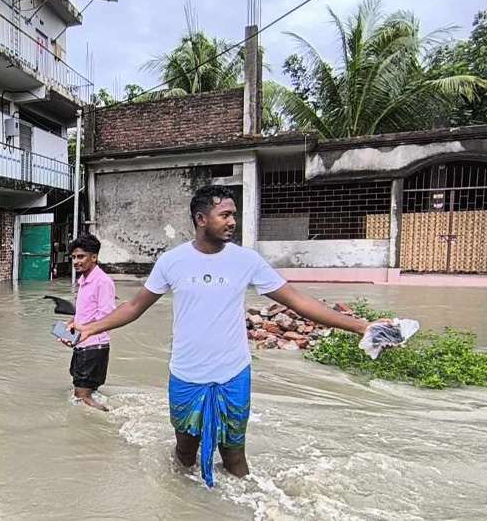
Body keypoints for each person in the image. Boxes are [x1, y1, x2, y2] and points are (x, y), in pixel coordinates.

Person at [69, 186, 380, 487]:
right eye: (225, 214)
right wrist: (89, 328)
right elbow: (135, 306)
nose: (233, 222)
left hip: (233, 375)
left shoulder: (246, 260)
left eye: (234, 214)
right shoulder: (171, 261)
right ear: (201, 219)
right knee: (185, 454)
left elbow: (298, 301)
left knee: (234, 458)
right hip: (186, 376)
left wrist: (360, 326)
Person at [60, 233, 117, 411]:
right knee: (85, 392)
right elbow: (83, 314)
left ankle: (106, 418)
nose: (76, 261)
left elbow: (107, 317)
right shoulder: (84, 280)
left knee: (81, 397)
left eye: (81, 256)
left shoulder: (103, 282)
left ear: (94, 257)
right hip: (83, 345)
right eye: (74, 257)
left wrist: (82, 329)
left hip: (94, 347)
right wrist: (70, 326)